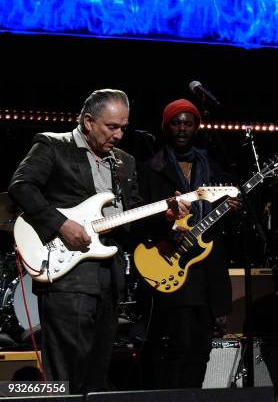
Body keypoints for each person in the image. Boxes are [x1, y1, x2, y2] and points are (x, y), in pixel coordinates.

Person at [8, 89, 189, 393]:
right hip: (68, 276)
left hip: (109, 277)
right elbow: (21, 186)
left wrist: (166, 217)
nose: (119, 135)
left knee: (97, 373)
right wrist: (61, 224)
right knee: (66, 371)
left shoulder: (124, 162)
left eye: (124, 128)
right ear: (89, 121)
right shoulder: (53, 145)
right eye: (112, 127)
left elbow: (131, 218)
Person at [137, 98, 239, 389]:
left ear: (197, 127)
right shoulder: (151, 169)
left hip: (207, 267)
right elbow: (140, 218)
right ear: (166, 127)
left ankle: (193, 396)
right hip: (170, 261)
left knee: (202, 346)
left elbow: (220, 225)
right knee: (178, 344)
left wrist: (232, 211)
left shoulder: (214, 167)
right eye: (176, 122)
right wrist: (169, 227)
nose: (182, 128)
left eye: (188, 123)